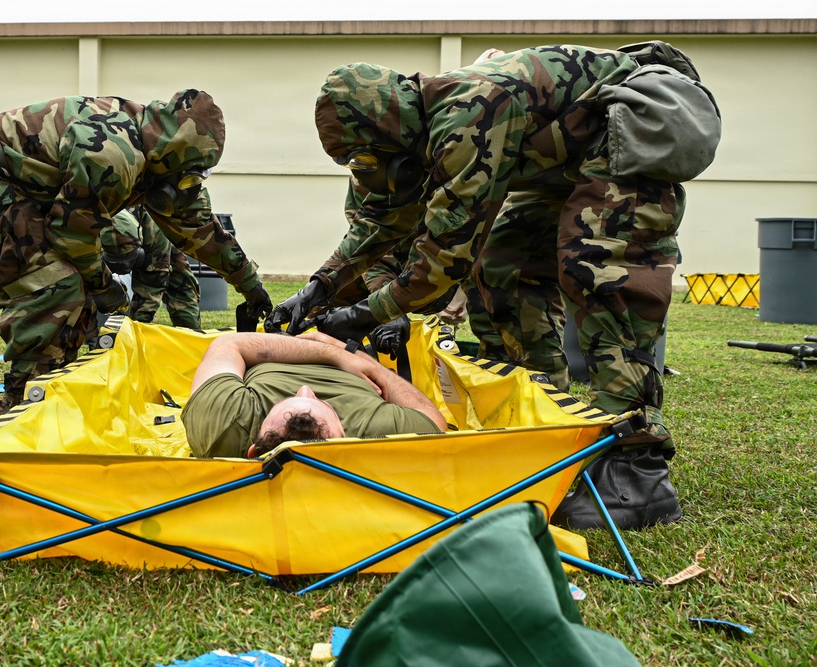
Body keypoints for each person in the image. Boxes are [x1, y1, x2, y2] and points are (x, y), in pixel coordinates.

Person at [265, 43, 721, 530]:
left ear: (390, 124)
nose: (371, 170)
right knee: (502, 265)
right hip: (563, 155)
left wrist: (361, 314)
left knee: (597, 263)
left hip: (633, 121)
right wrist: (320, 287)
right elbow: (380, 221)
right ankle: (547, 416)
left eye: (369, 157)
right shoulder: (410, 137)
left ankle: (637, 460)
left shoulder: (467, 113)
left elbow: (441, 264)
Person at [0, 91, 272, 419]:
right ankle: (23, 408)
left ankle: (51, 395)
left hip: (26, 188)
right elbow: (73, 237)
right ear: (174, 152)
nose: (186, 187)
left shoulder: (163, 161)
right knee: (56, 288)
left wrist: (250, 285)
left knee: (74, 295)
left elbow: (201, 232)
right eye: (188, 178)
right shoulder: (113, 150)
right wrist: (103, 285)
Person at [182, 332, 447, 459]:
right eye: (321, 402)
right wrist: (345, 351)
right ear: (346, 437)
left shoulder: (226, 427)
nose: (307, 389)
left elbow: (228, 344)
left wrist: (327, 352)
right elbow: (435, 422)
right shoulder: (375, 432)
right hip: (351, 359)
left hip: (277, 350)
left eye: (288, 400)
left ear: (253, 451)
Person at [101, 207, 202, 329]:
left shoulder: (154, 232)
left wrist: (138, 326)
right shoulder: (85, 227)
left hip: (156, 227)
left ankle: (191, 334)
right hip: (103, 231)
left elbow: (152, 286)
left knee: (182, 284)